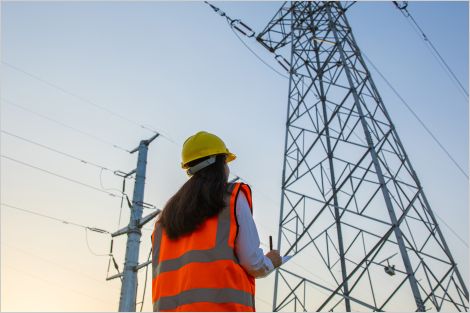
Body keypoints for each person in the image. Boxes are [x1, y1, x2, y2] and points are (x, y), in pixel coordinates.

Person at [151, 131, 282, 312]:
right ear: (218, 164)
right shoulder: (231, 198)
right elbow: (253, 263)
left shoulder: (163, 221)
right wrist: (271, 261)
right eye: (226, 162)